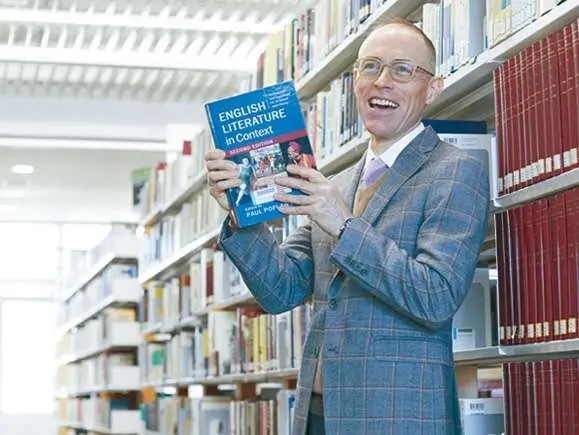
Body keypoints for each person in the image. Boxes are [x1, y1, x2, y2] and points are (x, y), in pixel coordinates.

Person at [204, 17, 490, 435]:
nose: (382, 81)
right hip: (319, 414)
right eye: (370, 66)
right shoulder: (335, 184)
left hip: (396, 417)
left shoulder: (456, 171)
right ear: (356, 82)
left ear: (432, 89)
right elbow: (281, 290)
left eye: (402, 69)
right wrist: (238, 211)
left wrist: (344, 224)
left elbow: (436, 296)